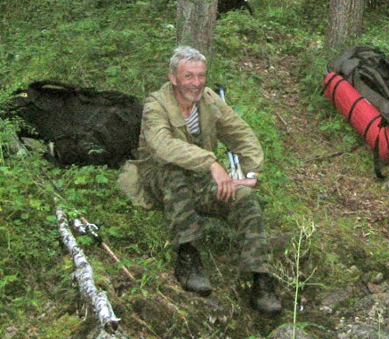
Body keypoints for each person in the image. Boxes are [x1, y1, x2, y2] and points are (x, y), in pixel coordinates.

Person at [118, 46, 281, 314]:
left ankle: (259, 277)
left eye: (201, 76)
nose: (196, 83)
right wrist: (212, 163)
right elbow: (163, 145)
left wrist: (251, 173)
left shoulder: (209, 100)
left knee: (245, 198)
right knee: (174, 173)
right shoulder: (156, 105)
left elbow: (241, 133)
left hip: (200, 180)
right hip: (158, 178)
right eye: (189, 76)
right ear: (173, 78)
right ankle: (188, 255)